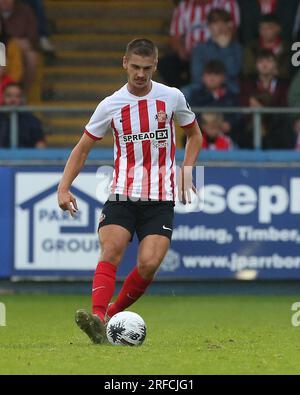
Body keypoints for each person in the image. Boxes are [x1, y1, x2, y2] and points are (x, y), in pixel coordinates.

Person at [57, 38, 202, 344]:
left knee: (149, 264)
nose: (140, 74)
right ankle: (97, 318)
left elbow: (195, 135)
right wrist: (64, 187)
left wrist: (187, 170)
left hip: (161, 198)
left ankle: (110, 314)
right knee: (111, 250)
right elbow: (82, 149)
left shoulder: (172, 97)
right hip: (123, 193)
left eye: (146, 68)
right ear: (124, 63)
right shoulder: (110, 105)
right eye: (135, 67)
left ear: (155, 67)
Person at [158, 0, 240, 88]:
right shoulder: (184, 5)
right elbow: (175, 34)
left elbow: (233, 30)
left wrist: (222, 47)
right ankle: (184, 93)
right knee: (166, 64)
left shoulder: (226, 3)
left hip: (217, 53)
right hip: (189, 56)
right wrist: (180, 50)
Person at [183, 8, 242, 99]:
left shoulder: (236, 48)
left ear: (229, 25)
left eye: (223, 22)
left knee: (238, 91)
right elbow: (197, 76)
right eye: (215, 23)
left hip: (228, 86)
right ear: (209, 26)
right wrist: (212, 83)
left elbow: (233, 72)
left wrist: (225, 48)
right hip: (203, 87)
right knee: (185, 93)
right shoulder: (200, 48)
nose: (220, 26)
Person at [188, 60, 239, 136]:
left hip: (227, 134)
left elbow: (238, 115)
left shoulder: (231, 96)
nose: (212, 78)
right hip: (201, 133)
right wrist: (203, 125)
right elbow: (190, 115)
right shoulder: (196, 96)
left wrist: (229, 124)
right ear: (203, 77)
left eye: (216, 74)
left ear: (223, 77)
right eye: (209, 74)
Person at [0, 0, 39, 89]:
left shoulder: (24, 10)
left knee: (31, 56)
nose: (4, 1)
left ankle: (19, 93)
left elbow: (33, 37)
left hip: (7, 82)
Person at [242, 14, 291, 80]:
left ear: (278, 28)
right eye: (262, 28)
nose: (264, 31)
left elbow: (290, 71)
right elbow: (248, 71)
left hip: (282, 86)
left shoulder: (287, 48)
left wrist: (278, 72)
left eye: (269, 28)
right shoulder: (252, 47)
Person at [0, 83, 46, 147]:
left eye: (17, 96)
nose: (13, 100)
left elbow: (40, 145)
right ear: (3, 97)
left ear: (22, 98)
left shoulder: (32, 120)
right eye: (9, 95)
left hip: (27, 156)